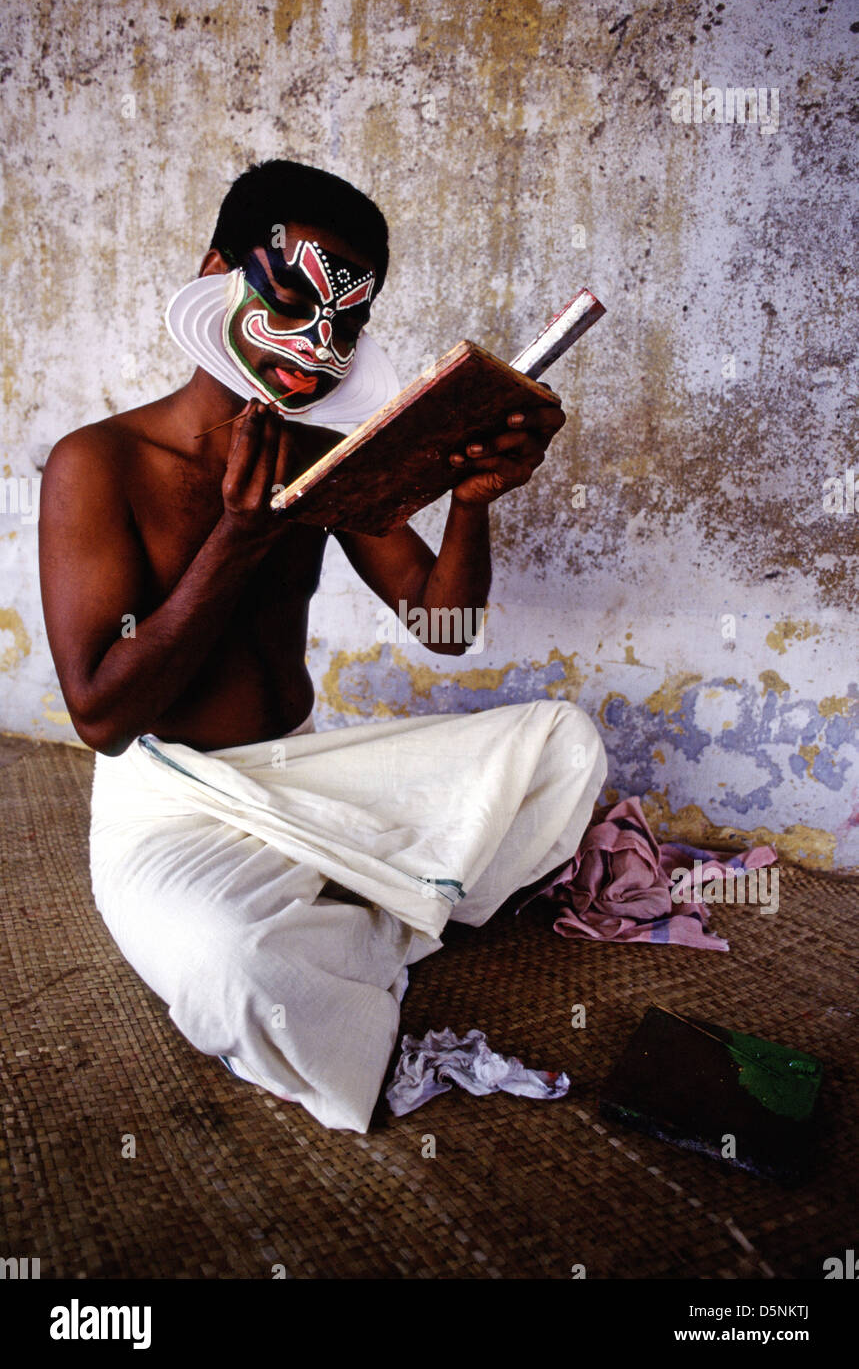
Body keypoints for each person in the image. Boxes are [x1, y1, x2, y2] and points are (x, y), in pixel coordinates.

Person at [38, 159, 607, 1131]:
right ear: (218, 271)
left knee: (563, 744)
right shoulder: (101, 462)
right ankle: (364, 928)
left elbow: (443, 629)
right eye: (292, 298)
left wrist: (471, 507)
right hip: (174, 805)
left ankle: (354, 916)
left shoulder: (325, 460)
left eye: (343, 322)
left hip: (309, 772)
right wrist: (239, 536)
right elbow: (102, 717)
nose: (315, 340)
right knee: (236, 966)